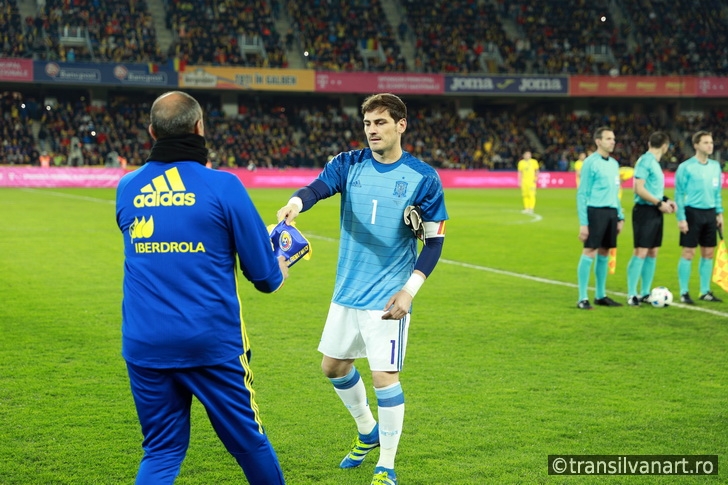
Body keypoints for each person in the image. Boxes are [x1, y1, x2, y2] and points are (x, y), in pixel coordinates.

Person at [115, 91, 289, 485]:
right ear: (200, 128)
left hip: (145, 344)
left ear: (151, 132)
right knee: (249, 443)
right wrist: (281, 263)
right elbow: (264, 278)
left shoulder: (127, 188)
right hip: (210, 343)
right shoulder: (223, 187)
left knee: (161, 451)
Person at [276, 93, 448, 485]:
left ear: (401, 125)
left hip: (387, 294)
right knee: (333, 366)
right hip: (347, 289)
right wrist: (294, 204)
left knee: (384, 376)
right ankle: (368, 431)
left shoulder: (423, 178)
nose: (372, 130)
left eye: (381, 123)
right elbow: (317, 188)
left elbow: (434, 242)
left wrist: (409, 292)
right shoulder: (348, 163)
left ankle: (386, 464)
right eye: (368, 123)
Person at [576, 127, 625, 309]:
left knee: (605, 252)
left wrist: (620, 216)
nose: (613, 141)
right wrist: (584, 223)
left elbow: (616, 191)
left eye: (613, 138)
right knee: (589, 251)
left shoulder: (613, 163)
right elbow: (582, 194)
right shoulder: (590, 163)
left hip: (611, 212)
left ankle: (600, 295)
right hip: (595, 212)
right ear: (598, 141)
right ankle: (582, 297)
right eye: (608, 139)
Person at [626, 131, 677, 306]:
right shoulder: (645, 161)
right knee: (640, 251)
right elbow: (638, 189)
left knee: (653, 251)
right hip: (644, 211)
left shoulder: (654, 163)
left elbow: (653, 190)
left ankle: (645, 293)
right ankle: (632, 294)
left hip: (655, 210)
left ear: (650, 143)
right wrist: (658, 203)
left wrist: (666, 200)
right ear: (665, 146)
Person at [674, 130, 724, 304]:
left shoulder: (715, 166)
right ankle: (684, 292)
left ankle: (705, 291)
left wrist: (719, 213)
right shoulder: (685, 167)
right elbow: (679, 194)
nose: (710, 145)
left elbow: (717, 192)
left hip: (710, 213)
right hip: (692, 213)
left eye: (711, 142)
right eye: (705, 142)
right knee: (688, 252)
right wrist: (681, 218)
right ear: (696, 145)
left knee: (708, 253)